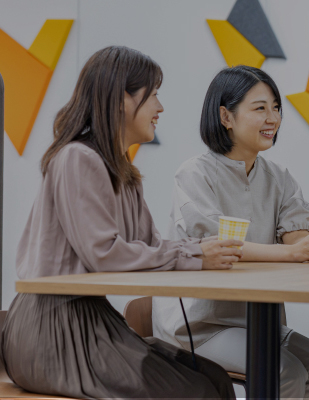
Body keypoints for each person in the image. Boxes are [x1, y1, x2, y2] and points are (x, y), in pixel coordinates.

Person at [0, 46, 242, 400]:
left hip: (93, 319)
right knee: (195, 392)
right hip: (52, 329)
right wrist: (194, 255)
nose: (160, 107)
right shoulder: (77, 158)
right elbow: (104, 254)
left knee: (217, 380)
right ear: (120, 100)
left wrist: (199, 251)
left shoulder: (125, 173)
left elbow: (149, 246)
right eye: (153, 94)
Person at [152, 66, 309, 399]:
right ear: (226, 117)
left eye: (276, 108)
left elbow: (295, 232)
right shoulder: (195, 174)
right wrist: (293, 252)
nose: (273, 118)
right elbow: (221, 246)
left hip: (257, 322)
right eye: (260, 108)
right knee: (285, 373)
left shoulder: (278, 176)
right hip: (199, 324)